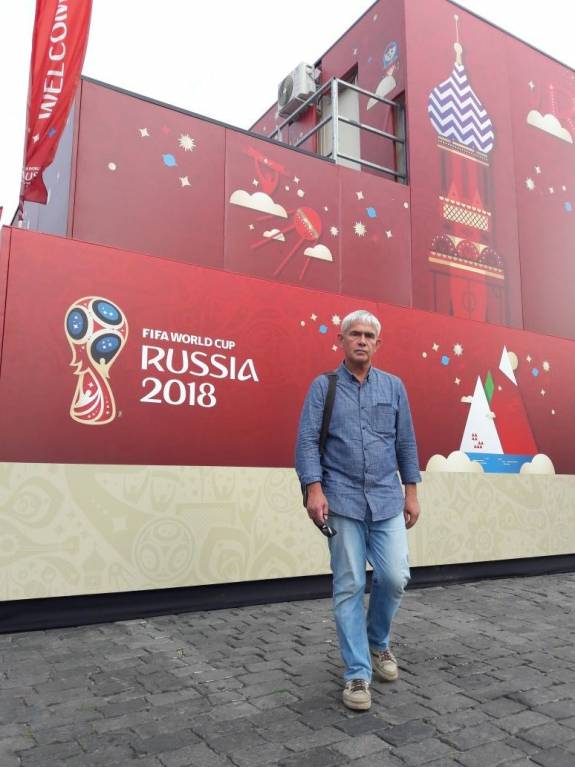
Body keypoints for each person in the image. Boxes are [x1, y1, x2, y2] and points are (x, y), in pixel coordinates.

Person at [295, 309, 421, 711]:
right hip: (342, 498)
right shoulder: (324, 387)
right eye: (355, 334)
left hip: (386, 499)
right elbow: (307, 441)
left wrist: (411, 492)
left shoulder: (394, 387)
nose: (362, 340)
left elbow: (406, 442)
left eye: (369, 335)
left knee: (395, 576)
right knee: (349, 585)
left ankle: (377, 641)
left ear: (377, 343)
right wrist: (314, 490)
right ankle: (356, 673)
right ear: (341, 340)